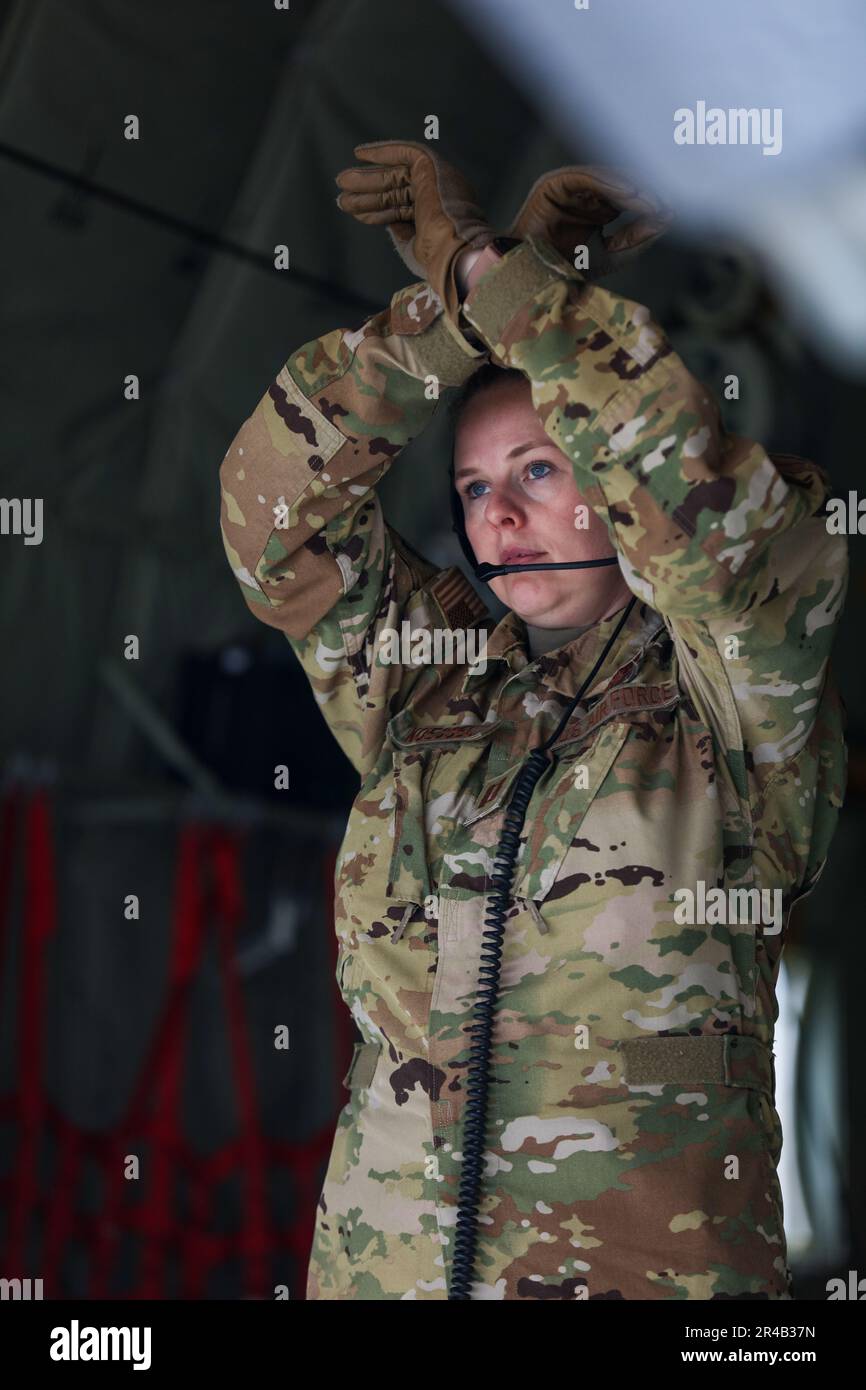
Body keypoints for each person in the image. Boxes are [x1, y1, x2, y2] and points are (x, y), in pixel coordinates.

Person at [218, 143, 847, 1300]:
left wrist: (519, 284)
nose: (498, 515)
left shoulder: (735, 688)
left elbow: (705, 524)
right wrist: (445, 322)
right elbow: (271, 525)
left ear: (608, 475)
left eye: (540, 470)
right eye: (469, 488)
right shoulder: (428, 686)